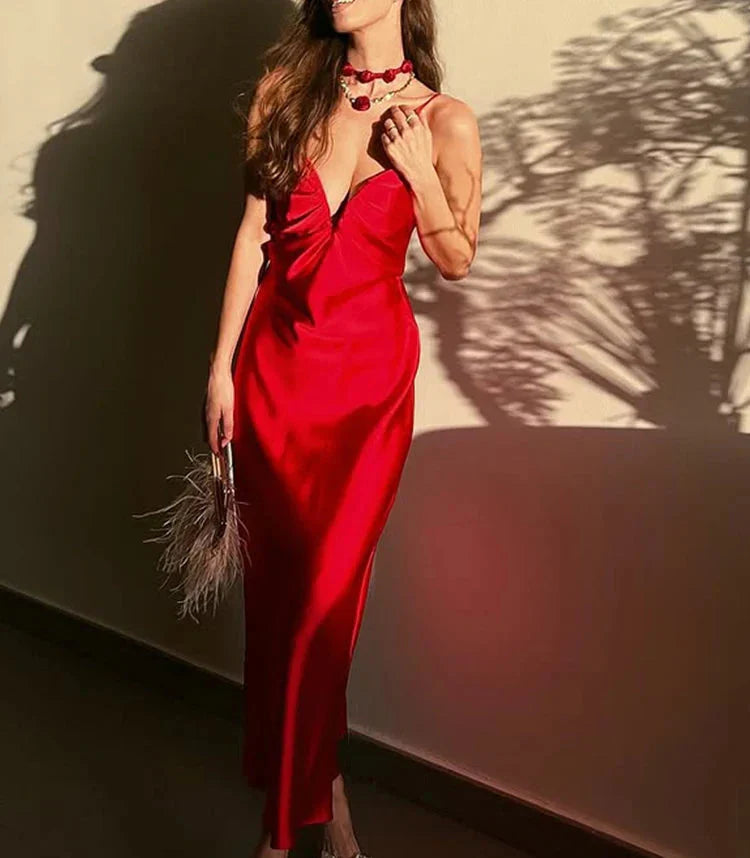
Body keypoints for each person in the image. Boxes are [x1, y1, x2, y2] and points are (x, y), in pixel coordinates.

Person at [204, 1, 482, 855]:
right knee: (283, 607)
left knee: (325, 608)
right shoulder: (286, 91)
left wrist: (420, 173)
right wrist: (219, 369)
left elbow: (458, 257)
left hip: (367, 397)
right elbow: (253, 234)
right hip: (273, 378)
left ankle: (281, 838)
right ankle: (330, 807)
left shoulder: (445, 119)